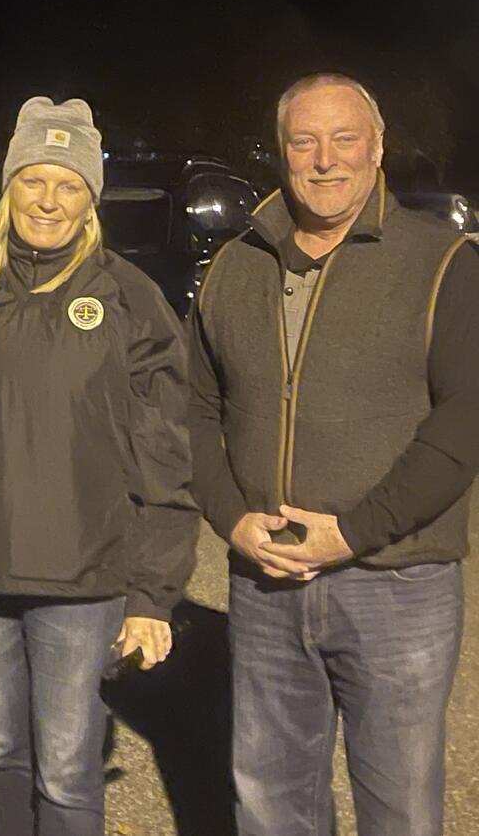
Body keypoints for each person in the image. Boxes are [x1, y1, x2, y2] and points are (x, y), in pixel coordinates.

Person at [0, 97, 197, 836]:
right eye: (33, 180)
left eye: (68, 185)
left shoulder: (130, 299)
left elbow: (166, 454)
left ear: (90, 199)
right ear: (8, 185)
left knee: (65, 765)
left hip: (84, 580)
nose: (47, 200)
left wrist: (154, 593)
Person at [187, 73, 479, 836]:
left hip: (398, 584)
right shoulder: (234, 265)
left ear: (377, 148)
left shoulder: (443, 264)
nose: (324, 160)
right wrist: (230, 519)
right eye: (304, 141)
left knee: (400, 810)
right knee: (271, 801)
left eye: (344, 138)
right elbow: (190, 408)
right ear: (281, 153)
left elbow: (465, 420)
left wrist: (351, 532)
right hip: (266, 582)